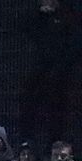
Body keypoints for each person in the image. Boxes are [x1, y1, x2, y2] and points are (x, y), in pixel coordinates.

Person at [18, 0, 82, 145]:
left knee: (58, 107)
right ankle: (27, 142)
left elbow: (75, 41)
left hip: (62, 72)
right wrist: (40, 15)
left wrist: (63, 63)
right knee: (30, 101)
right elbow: (25, 28)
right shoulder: (37, 16)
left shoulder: (69, 15)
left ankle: (56, 142)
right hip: (40, 68)